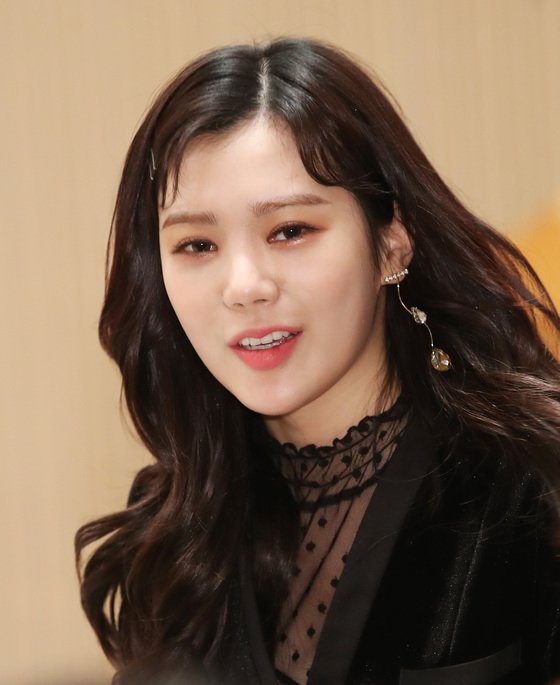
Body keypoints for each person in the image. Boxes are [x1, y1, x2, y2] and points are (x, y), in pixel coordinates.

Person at [75, 38, 560, 685]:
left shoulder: (527, 479)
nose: (244, 286)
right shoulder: (167, 532)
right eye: (197, 245)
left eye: (290, 231)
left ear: (391, 242)